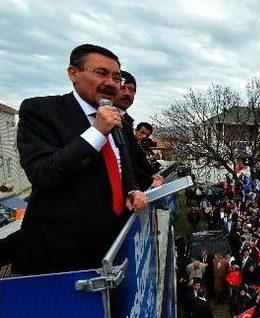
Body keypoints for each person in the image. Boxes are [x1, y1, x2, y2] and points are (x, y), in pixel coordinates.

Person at [15, 44, 147, 275]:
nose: (111, 83)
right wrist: (97, 133)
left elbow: (121, 169)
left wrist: (132, 190)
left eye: (116, 77)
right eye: (101, 73)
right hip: (59, 261)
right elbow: (43, 174)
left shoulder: (121, 124)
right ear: (73, 73)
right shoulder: (40, 111)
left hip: (112, 253)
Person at [113, 71, 163, 189]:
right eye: (122, 88)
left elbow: (137, 154)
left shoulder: (126, 122)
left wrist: (152, 173)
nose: (127, 93)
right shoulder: (105, 118)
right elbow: (124, 161)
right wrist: (148, 181)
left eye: (131, 90)